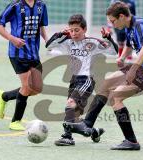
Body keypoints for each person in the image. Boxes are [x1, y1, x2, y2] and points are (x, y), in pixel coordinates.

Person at [64, 1, 143, 150]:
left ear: (122, 16)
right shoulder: (129, 27)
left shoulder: (140, 24)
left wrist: (132, 69)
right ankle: (87, 124)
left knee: (115, 97)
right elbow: (131, 45)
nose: (112, 24)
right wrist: (123, 57)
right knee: (105, 84)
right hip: (141, 67)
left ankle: (131, 141)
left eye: (113, 21)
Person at [45, 14, 118, 146]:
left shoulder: (92, 43)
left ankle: (67, 137)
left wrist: (108, 38)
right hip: (73, 80)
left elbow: (114, 52)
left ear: (84, 29)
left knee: (70, 103)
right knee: (75, 118)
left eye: (77, 30)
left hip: (86, 80)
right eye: (71, 30)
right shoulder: (67, 42)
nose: (73, 33)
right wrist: (60, 34)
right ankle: (94, 132)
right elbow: (49, 46)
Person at [0, 0, 48, 131]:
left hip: (34, 54)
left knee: (37, 89)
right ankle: (15, 121)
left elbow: (41, 26)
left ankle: (4, 96)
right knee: (27, 86)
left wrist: (47, 40)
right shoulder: (15, 5)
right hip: (17, 53)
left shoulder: (41, 6)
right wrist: (12, 39)